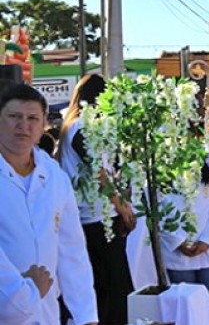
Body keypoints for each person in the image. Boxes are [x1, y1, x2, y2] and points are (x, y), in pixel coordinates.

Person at [0, 83, 98, 324]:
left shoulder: (54, 176)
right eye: (14, 116)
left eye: (33, 118)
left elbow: (71, 248)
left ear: (44, 124)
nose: (23, 125)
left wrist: (86, 315)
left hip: (45, 311)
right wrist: (22, 292)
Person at [56, 74, 136, 324]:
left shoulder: (83, 126)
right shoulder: (79, 126)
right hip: (93, 216)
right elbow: (97, 172)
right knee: (110, 288)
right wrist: (122, 208)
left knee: (113, 287)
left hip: (100, 215)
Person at [160, 142, 209, 322]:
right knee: (185, 311)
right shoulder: (160, 161)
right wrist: (177, 241)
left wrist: (207, 239)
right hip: (177, 251)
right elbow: (157, 207)